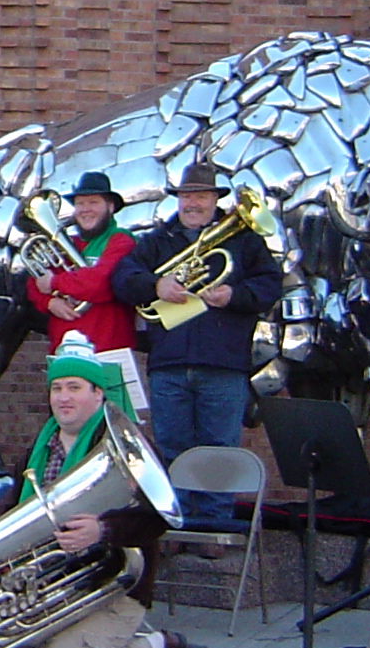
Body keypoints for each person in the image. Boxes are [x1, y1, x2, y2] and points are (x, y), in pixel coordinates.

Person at [13, 346, 187, 648]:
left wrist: (103, 530)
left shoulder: (126, 443)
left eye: (75, 387)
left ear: (98, 393)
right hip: (57, 582)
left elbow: (160, 516)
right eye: (57, 387)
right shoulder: (41, 445)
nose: (63, 397)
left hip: (113, 586)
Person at [110, 163, 282, 528]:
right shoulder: (159, 239)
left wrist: (234, 293)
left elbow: (270, 286)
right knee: (172, 448)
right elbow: (122, 278)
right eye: (187, 196)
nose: (192, 203)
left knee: (219, 449)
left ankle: (215, 526)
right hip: (169, 362)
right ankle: (179, 525)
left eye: (200, 196)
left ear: (214, 199)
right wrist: (156, 286)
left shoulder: (244, 240)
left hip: (224, 363)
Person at [23, 171, 140, 357]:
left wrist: (54, 283)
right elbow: (34, 282)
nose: (86, 209)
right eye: (80, 203)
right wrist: (49, 302)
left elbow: (101, 283)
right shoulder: (66, 244)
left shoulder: (121, 241)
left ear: (110, 207)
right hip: (63, 350)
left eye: (93, 202)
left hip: (108, 350)